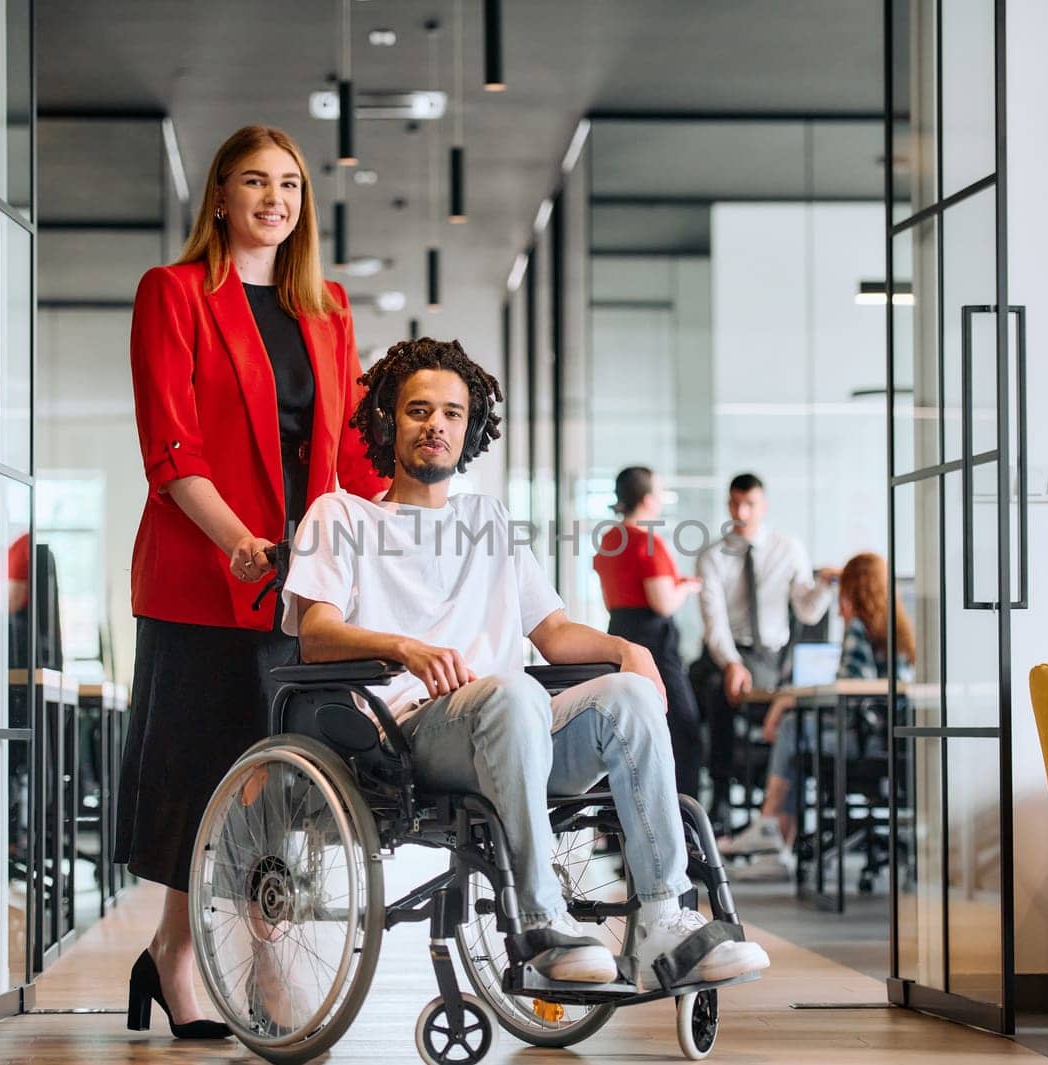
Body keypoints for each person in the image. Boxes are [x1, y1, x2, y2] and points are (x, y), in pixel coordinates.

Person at [280, 338, 771, 992]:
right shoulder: (341, 514)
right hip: (408, 738)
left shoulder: (489, 521)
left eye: (453, 413)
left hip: (515, 726)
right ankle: (540, 918)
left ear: (472, 426)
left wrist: (626, 647)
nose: (437, 425)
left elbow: (556, 631)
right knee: (510, 692)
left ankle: (663, 919)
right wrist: (402, 647)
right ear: (387, 422)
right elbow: (315, 631)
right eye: (419, 410)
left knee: (625, 695)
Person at [113, 124, 388, 1040]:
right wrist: (237, 538)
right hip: (202, 572)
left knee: (278, 782)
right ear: (221, 197)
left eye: (291, 185)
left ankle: (223, 950)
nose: (276, 199)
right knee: (197, 772)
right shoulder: (175, 293)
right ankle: (193, 956)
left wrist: (406, 497)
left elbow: (351, 448)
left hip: (297, 582)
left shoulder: (329, 307)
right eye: (255, 182)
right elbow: (171, 444)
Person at [717, 551, 914, 875]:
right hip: (888, 741)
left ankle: (770, 829)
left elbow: (848, 690)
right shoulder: (897, 631)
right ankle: (775, 845)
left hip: (863, 742)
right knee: (797, 738)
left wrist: (786, 702)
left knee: (794, 730)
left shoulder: (860, 629)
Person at [691, 473, 837, 830]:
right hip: (726, 652)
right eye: (735, 503)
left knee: (773, 700)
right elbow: (715, 622)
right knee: (711, 688)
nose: (741, 511)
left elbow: (807, 610)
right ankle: (720, 795)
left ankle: (773, 797)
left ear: (763, 505)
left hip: (770, 658)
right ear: (728, 504)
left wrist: (825, 586)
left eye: (749, 504)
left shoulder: (788, 549)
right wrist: (732, 664)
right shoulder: (713, 556)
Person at [591, 468, 704, 799]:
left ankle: (617, 823)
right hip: (653, 642)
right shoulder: (646, 541)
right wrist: (687, 587)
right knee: (683, 729)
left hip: (619, 634)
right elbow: (663, 602)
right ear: (647, 499)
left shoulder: (610, 540)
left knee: (629, 727)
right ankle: (686, 820)